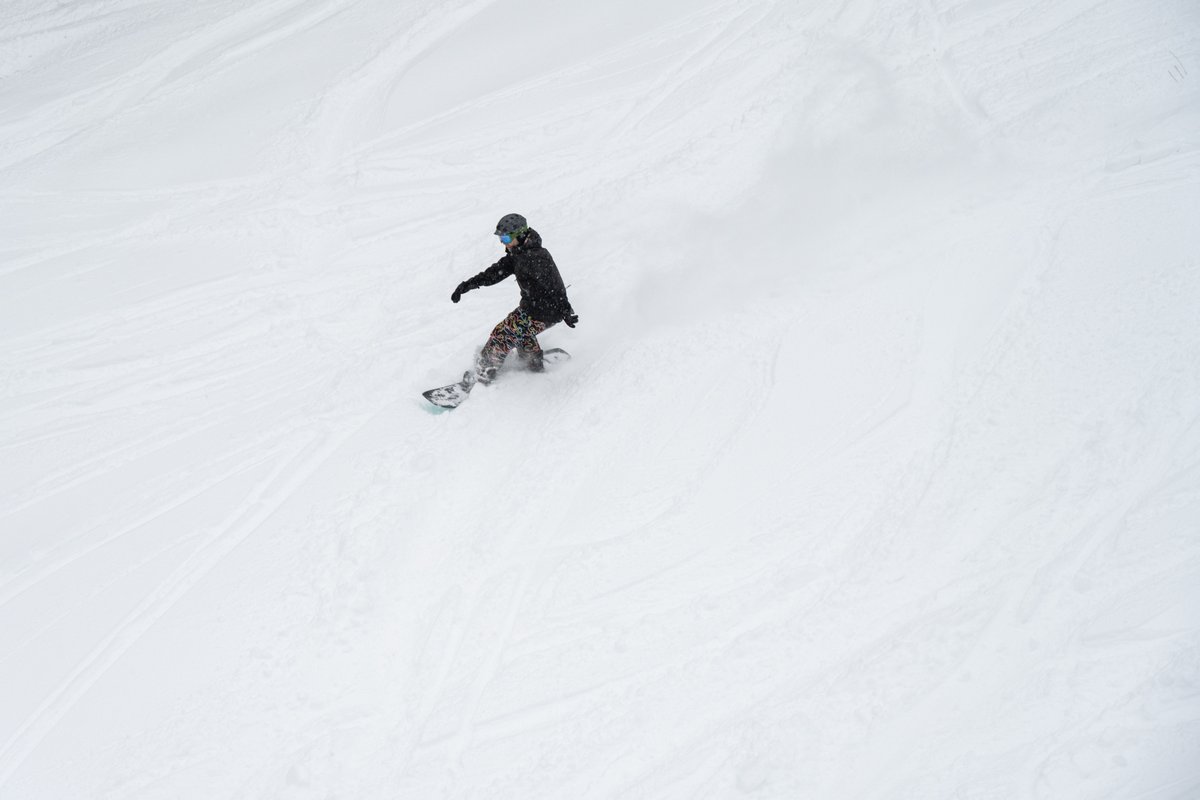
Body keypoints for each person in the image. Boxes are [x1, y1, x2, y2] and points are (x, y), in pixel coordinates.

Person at [451, 213, 578, 384]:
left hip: (547, 311)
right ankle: (532, 362)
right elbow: (495, 273)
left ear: (519, 235)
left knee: (503, 334)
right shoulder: (518, 254)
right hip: (531, 309)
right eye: (501, 238)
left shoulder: (537, 257)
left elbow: (555, 286)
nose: (502, 242)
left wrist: (566, 310)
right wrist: (467, 285)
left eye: (505, 237)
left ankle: (482, 376)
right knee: (520, 332)